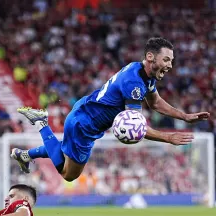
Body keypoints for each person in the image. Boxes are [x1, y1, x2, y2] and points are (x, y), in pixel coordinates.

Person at [11, 37, 210, 182]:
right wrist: (168, 138)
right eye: (166, 60)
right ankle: (42, 124)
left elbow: (155, 103)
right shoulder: (134, 83)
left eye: (172, 61)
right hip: (85, 125)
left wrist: (184, 116)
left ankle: (26, 155)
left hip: (85, 114)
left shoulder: (142, 73)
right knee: (68, 174)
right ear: (150, 56)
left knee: (64, 151)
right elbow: (136, 127)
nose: (170, 65)